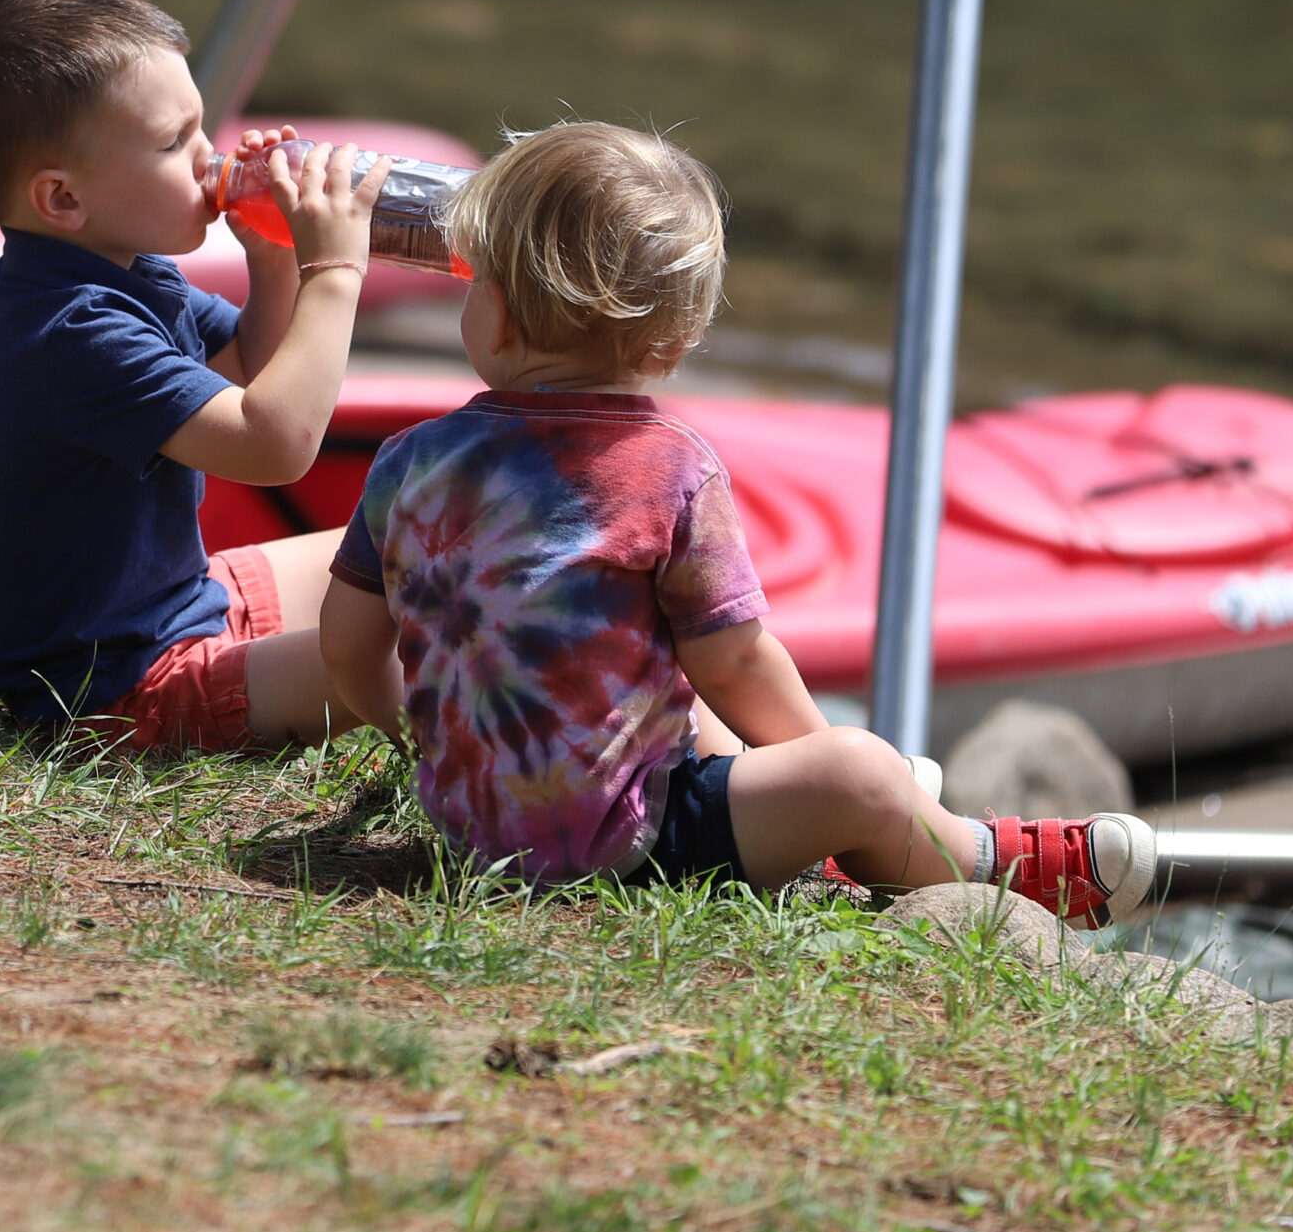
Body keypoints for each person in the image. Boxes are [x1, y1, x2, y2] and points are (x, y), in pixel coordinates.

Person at [319, 121, 1156, 926]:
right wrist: (827, 762)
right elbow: (736, 659)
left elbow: (348, 642)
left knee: (694, 711)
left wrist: (427, 747)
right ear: (674, 341)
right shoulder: (673, 467)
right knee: (855, 767)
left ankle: (822, 816)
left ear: (494, 315)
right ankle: (971, 857)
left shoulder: (407, 460)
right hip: (623, 848)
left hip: (469, 834)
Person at [0, 0, 392, 752]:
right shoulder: (71, 329)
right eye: (175, 141)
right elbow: (273, 444)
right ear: (63, 198)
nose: (210, 156)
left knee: (414, 559)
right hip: (120, 688)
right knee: (427, 645)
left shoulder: (121, 272)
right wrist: (335, 269)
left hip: (182, 606)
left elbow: (248, 372)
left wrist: (276, 265)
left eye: (201, 126)